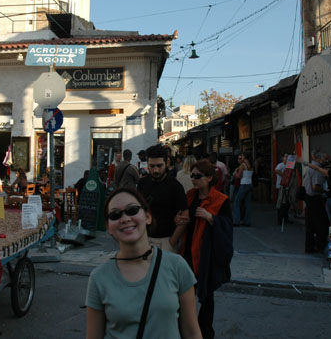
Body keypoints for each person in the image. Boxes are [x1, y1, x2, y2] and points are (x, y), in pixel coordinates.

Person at [85, 187, 202, 339]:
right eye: (115, 215)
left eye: (132, 210)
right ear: (108, 227)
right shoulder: (99, 277)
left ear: (148, 216)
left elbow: (192, 332)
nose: (125, 218)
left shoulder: (177, 266)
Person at [179, 160, 233, 339]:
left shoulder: (221, 200)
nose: (193, 179)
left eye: (197, 176)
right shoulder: (190, 196)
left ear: (209, 178)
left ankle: (205, 332)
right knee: (185, 296)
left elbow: (227, 228)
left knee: (207, 298)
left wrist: (211, 218)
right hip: (188, 252)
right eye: (192, 176)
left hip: (207, 256)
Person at [137, 145, 189, 252]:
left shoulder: (175, 186)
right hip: (144, 240)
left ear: (167, 163)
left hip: (166, 241)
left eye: (159, 166)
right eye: (152, 166)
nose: (156, 170)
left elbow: (185, 216)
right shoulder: (142, 183)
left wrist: (172, 242)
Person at [301, 152, 329, 253]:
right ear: (318, 159)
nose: (326, 161)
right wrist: (326, 191)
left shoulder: (308, 168)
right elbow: (315, 187)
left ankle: (309, 246)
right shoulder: (317, 170)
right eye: (325, 159)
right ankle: (320, 246)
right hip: (315, 199)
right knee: (320, 224)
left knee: (310, 225)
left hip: (308, 198)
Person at [232, 153, 254, 227]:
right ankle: (247, 221)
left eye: (242, 156)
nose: (241, 157)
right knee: (247, 204)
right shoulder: (251, 164)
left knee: (236, 202)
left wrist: (235, 174)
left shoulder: (242, 165)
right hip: (250, 184)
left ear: (245, 157)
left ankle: (236, 221)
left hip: (244, 184)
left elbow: (238, 176)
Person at [275, 153, 293, 225]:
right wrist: (284, 176)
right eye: (285, 156)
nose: (287, 158)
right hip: (281, 186)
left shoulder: (289, 165)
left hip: (287, 186)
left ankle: (285, 218)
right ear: (283, 158)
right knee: (281, 203)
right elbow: (276, 170)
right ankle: (280, 219)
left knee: (287, 203)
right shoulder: (281, 165)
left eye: (288, 157)